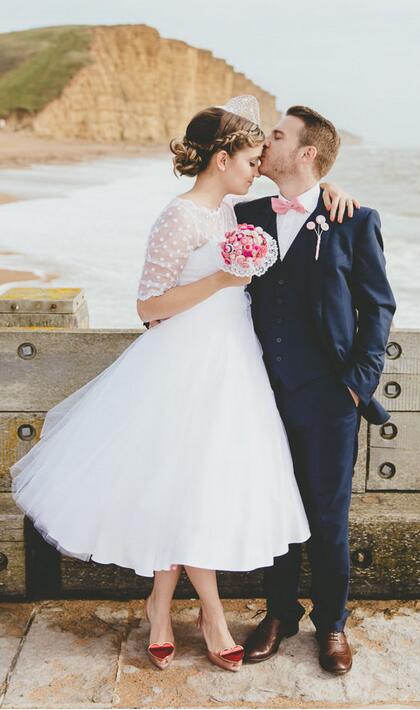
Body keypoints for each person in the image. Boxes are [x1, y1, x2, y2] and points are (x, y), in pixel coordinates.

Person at [9, 96, 355, 673]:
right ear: (222, 159)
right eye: (249, 156)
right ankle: (207, 614)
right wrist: (223, 278)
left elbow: (306, 207)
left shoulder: (233, 215)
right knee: (184, 481)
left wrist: (337, 191)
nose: (258, 162)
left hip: (234, 364)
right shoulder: (180, 216)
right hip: (183, 365)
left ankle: (162, 606)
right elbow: (148, 306)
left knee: (198, 484)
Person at [234, 105, 396, 674]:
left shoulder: (353, 219)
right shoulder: (246, 214)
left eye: (276, 135)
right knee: (275, 508)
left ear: (306, 153)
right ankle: (279, 613)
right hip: (259, 392)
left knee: (328, 518)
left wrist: (356, 386)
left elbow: (378, 308)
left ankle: (332, 624)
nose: (264, 141)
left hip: (329, 397)